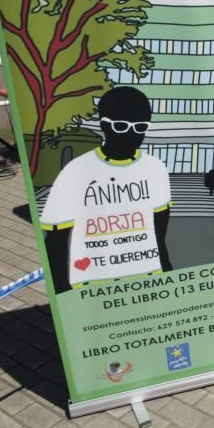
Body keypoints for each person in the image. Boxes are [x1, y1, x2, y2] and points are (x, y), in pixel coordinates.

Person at [40, 86, 173, 294]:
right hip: (95, 291)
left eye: (140, 127)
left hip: (150, 284)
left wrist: (169, 279)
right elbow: (55, 245)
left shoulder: (156, 169)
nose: (131, 134)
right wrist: (64, 296)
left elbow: (159, 237)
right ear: (104, 125)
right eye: (121, 126)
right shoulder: (74, 172)